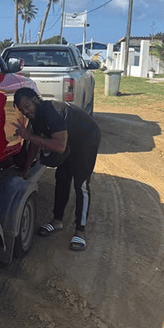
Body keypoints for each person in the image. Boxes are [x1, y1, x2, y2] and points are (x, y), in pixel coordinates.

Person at [12, 87, 101, 251]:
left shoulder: (51, 111)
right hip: (69, 140)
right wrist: (26, 170)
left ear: (35, 99)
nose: (25, 111)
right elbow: (34, 144)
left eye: (26, 105)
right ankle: (57, 221)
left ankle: (80, 231)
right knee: (62, 177)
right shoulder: (36, 118)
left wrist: (29, 136)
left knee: (80, 184)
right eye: (22, 109)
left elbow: (59, 147)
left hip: (87, 138)